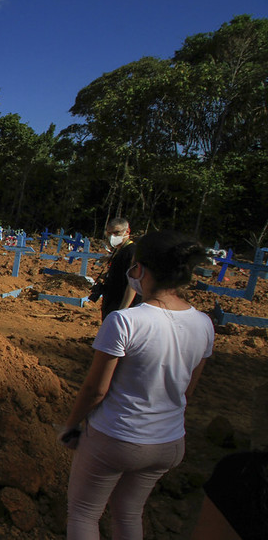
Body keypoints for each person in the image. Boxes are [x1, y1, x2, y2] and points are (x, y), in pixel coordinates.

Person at [59, 230, 214, 540]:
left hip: (118, 437)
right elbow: (188, 391)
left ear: (140, 269)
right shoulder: (204, 324)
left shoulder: (124, 321)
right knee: (129, 512)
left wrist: (72, 427)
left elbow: (96, 390)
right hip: (168, 441)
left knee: (84, 513)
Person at [98, 217, 140, 320]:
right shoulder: (119, 250)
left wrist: (122, 311)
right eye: (109, 233)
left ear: (127, 231)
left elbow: (132, 284)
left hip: (123, 306)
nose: (112, 236)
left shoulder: (131, 252)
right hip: (111, 302)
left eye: (116, 233)